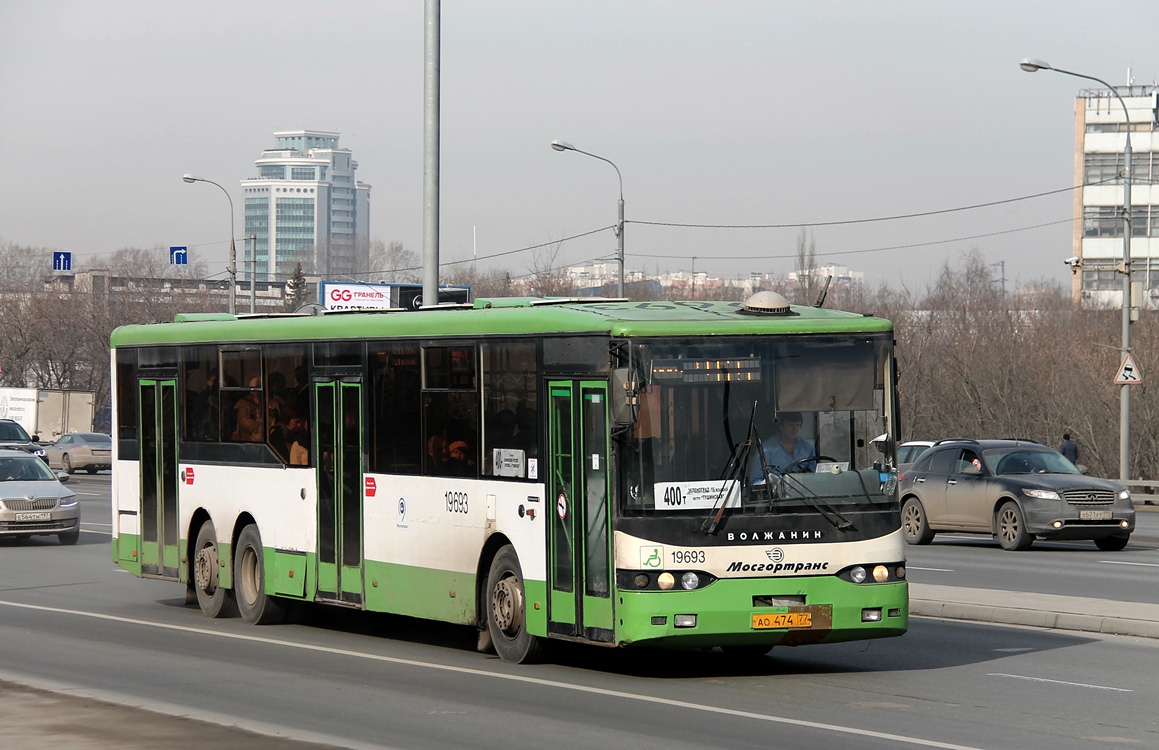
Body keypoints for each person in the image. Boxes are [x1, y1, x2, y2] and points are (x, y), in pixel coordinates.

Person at [751, 411, 815, 482]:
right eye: (790, 425)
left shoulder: (807, 448)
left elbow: (814, 475)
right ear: (781, 427)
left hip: (805, 491)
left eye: (798, 425)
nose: (794, 429)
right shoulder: (764, 450)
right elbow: (755, 481)